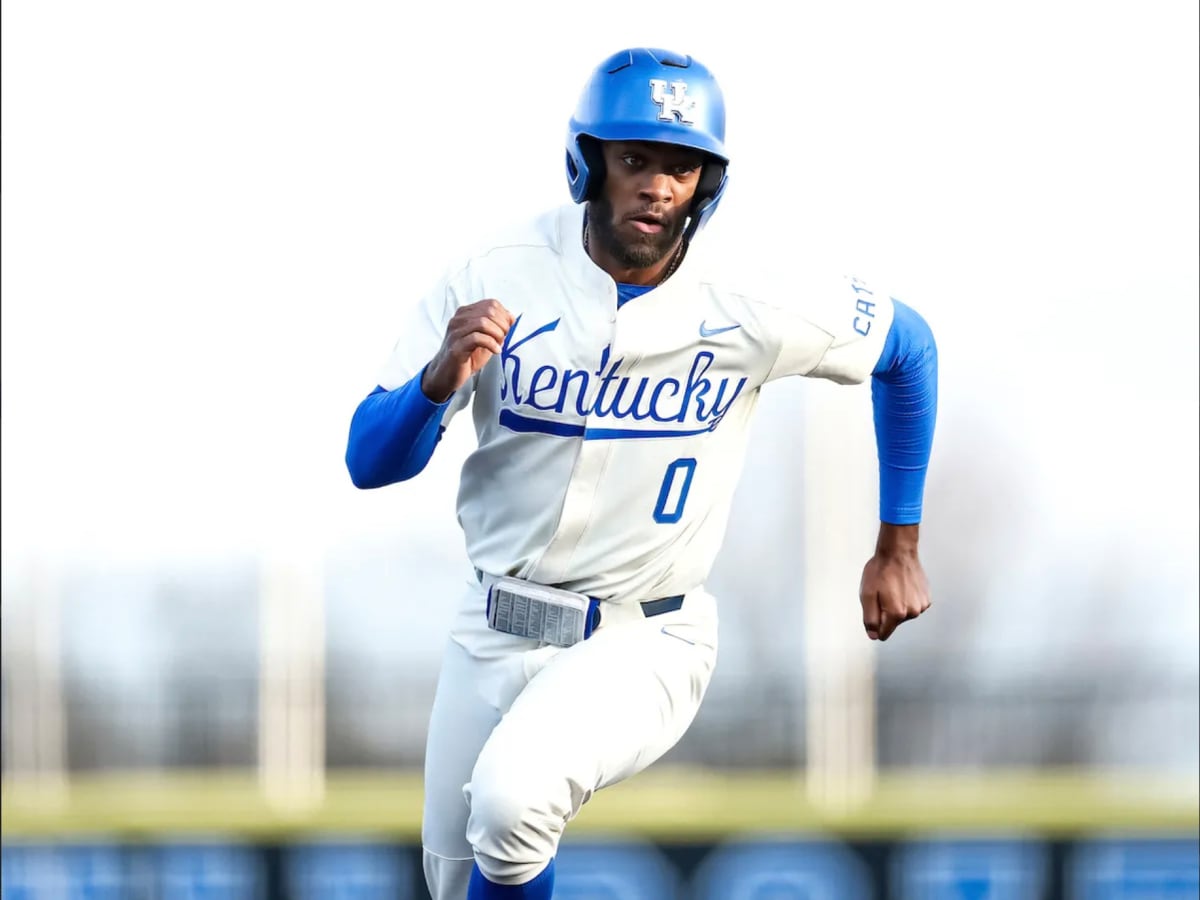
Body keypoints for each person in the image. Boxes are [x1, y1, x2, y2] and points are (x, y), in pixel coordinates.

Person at [345, 47, 937, 900]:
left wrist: (899, 544)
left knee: (512, 803)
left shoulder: (753, 295)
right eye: (635, 160)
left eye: (682, 167)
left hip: (645, 636)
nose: (659, 187)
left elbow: (909, 351)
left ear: (709, 183)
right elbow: (369, 461)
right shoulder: (495, 273)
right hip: (492, 624)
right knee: (456, 873)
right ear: (587, 163)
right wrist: (434, 383)